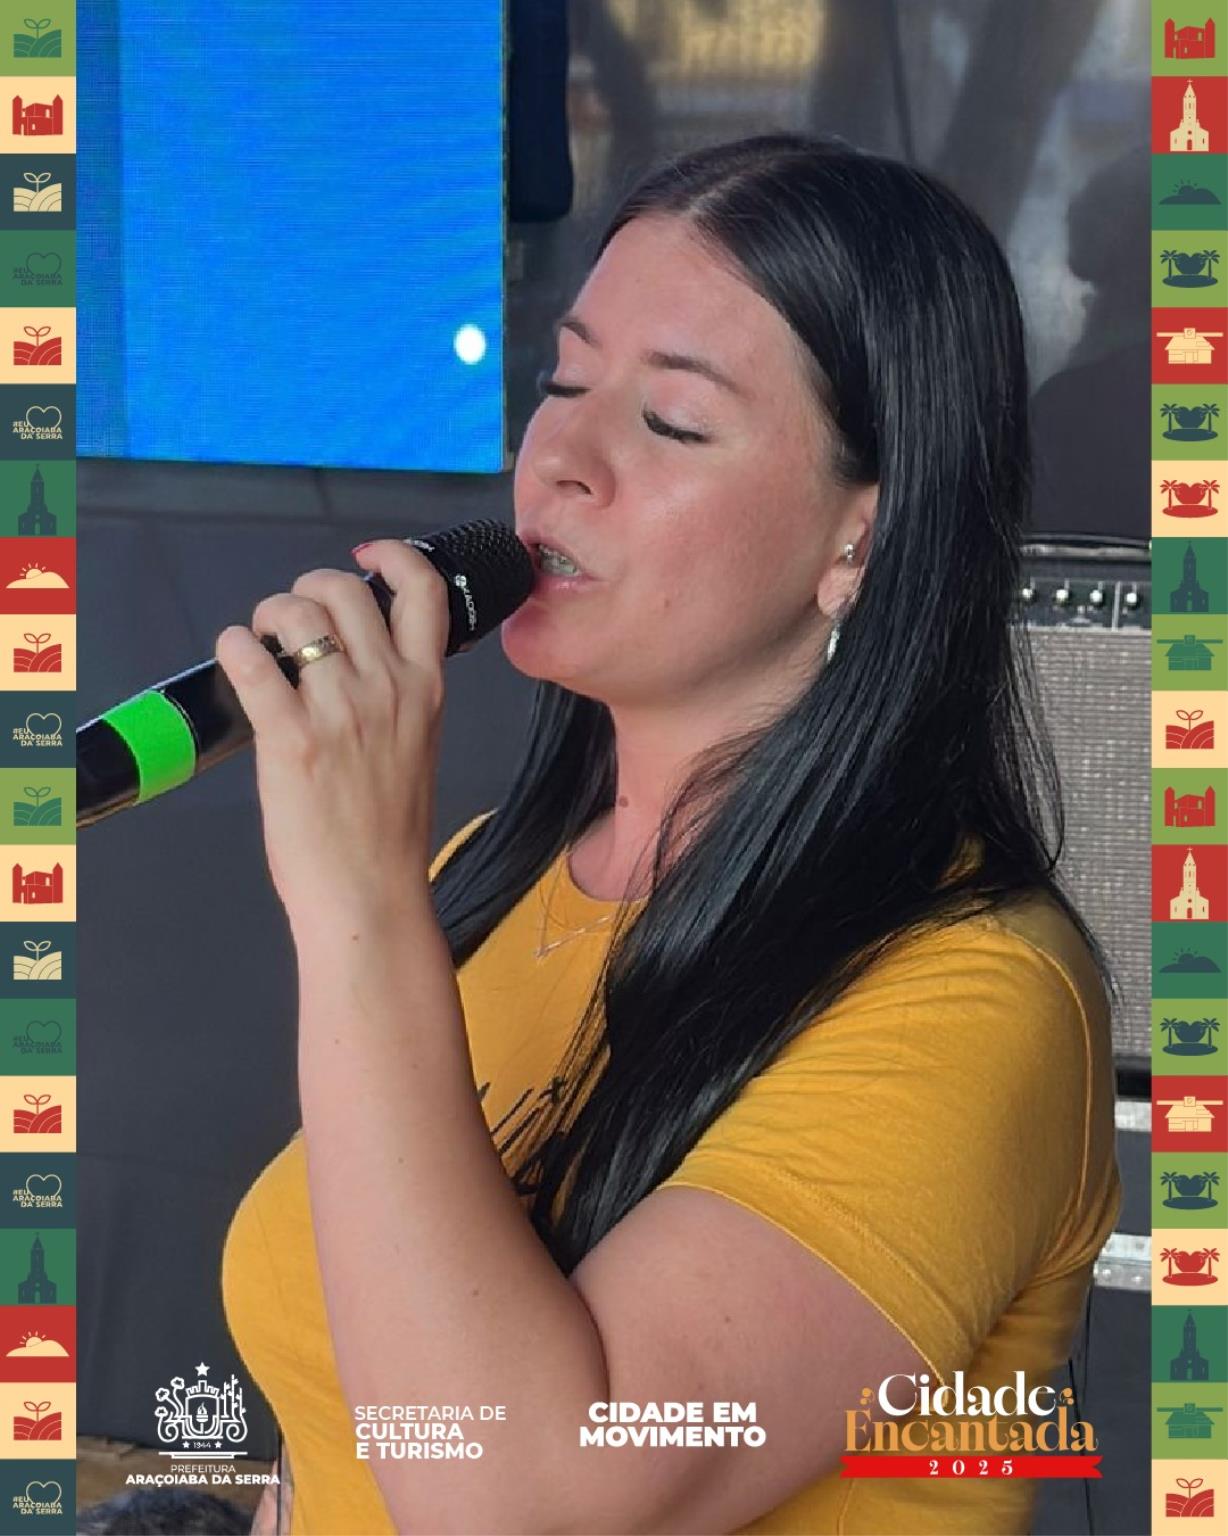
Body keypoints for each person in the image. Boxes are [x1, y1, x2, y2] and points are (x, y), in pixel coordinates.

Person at [218, 132, 1121, 1535]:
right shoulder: (482, 880)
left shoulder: (977, 999)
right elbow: (334, 1426)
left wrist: (357, 911)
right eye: (562, 383)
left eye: (673, 421)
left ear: (861, 538)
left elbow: (516, 1500)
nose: (563, 459)